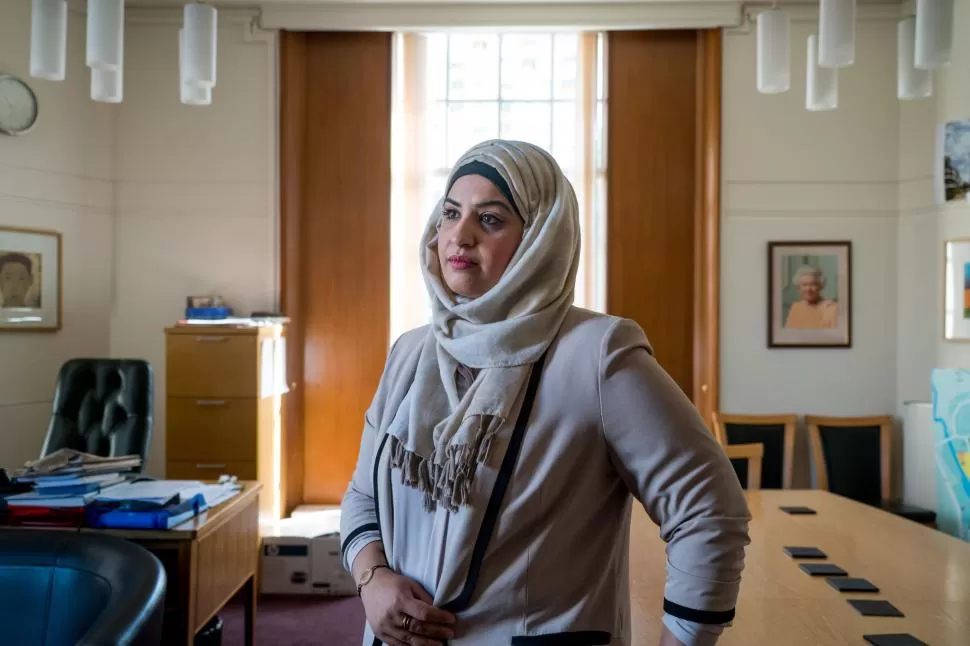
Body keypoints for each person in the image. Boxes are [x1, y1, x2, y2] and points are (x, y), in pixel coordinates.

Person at [340, 139, 750, 646]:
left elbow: (709, 511)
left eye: (490, 219)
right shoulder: (411, 353)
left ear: (539, 238)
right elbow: (362, 495)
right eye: (450, 213)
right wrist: (371, 579)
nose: (458, 236)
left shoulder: (597, 354)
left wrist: (684, 639)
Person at [784, 265, 837, 329]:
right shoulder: (796, 307)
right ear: (798, 288)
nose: (808, 289)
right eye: (804, 285)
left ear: (821, 286)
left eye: (813, 284)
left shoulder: (831, 308)